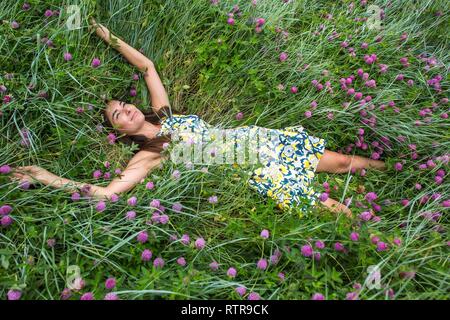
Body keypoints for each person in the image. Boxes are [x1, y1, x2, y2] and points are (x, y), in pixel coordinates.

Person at [10, 19, 386, 217]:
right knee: (329, 208)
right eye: (116, 116)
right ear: (119, 132)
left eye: (123, 104)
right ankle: (380, 238)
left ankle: (397, 170)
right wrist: (46, 178)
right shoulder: (150, 153)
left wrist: (109, 38)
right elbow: (107, 194)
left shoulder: (165, 115)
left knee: (342, 162)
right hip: (252, 170)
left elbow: (147, 68)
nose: (124, 109)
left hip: (262, 141)